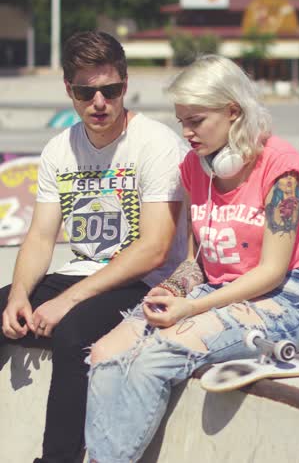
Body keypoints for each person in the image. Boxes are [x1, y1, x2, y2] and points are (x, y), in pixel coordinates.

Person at [85, 54, 299, 462]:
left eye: (196, 120)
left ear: (233, 111)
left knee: (158, 354)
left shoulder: (280, 166)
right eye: (182, 121)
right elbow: (196, 262)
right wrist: (172, 289)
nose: (187, 133)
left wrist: (191, 307)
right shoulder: (196, 169)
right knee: (105, 352)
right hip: (215, 292)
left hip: (285, 299)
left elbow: (272, 271)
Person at [0, 31, 188, 463]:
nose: (99, 102)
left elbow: (155, 248)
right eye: (87, 92)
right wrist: (18, 296)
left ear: (125, 84)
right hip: (83, 273)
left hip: (147, 281)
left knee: (73, 334)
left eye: (111, 90)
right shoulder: (59, 149)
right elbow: (41, 237)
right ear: (69, 89)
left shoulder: (155, 145)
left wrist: (66, 301)